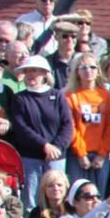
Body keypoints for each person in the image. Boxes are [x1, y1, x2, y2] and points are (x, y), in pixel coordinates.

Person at [12, 54, 73, 208]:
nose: (30, 74)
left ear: (45, 73)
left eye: (35, 70)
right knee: (30, 201)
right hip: (30, 157)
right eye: (27, 71)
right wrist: (44, 145)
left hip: (56, 157)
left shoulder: (57, 96)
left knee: (57, 200)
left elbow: (67, 124)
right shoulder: (20, 98)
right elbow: (21, 127)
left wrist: (56, 147)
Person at [63, 50, 110, 195]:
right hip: (77, 155)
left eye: (92, 67)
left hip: (101, 155)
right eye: (83, 67)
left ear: (98, 71)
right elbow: (71, 127)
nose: (88, 71)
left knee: (99, 195)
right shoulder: (69, 96)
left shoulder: (106, 96)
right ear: (77, 72)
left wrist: (102, 154)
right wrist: (81, 154)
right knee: (77, 195)